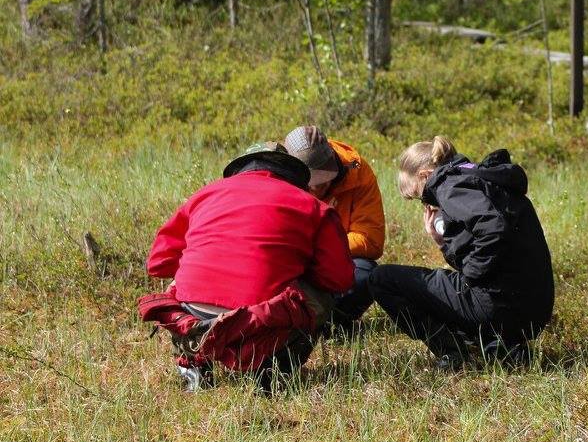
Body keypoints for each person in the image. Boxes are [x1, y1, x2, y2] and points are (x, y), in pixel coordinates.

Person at [137, 142, 355, 392]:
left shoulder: (205, 194)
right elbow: (339, 279)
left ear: (242, 168)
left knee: (178, 281)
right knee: (320, 298)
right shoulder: (315, 207)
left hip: (190, 312)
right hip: (261, 319)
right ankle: (272, 374)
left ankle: (193, 362)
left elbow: (158, 263)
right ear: (292, 174)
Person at [368, 136, 554, 368]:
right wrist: (443, 242)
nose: (427, 204)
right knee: (454, 284)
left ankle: (453, 351)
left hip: (498, 308)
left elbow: (495, 229)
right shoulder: (480, 178)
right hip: (534, 312)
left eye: (421, 196)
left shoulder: (450, 187)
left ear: (426, 176)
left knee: (381, 279)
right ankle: (500, 345)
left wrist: (471, 275)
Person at [283, 125, 386, 327]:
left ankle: (331, 322)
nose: (316, 187)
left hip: (332, 261)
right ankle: (290, 318)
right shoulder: (279, 173)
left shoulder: (358, 173)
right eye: (310, 182)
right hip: (291, 263)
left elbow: (371, 241)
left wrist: (317, 247)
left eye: (322, 180)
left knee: (367, 273)